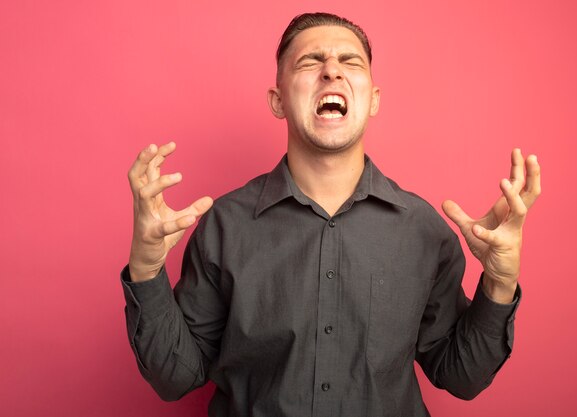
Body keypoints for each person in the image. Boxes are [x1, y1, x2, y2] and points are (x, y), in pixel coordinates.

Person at [121, 12, 541, 417]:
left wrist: (499, 285)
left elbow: (462, 377)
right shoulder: (225, 226)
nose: (332, 72)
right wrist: (146, 266)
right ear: (278, 99)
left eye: (349, 61)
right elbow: (174, 378)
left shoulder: (424, 231)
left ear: (373, 100)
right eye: (310, 61)